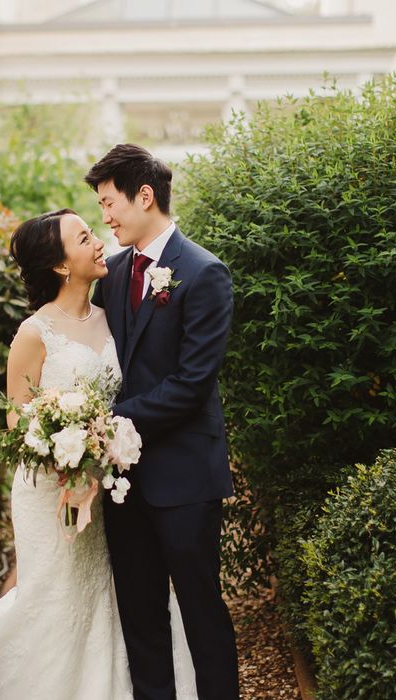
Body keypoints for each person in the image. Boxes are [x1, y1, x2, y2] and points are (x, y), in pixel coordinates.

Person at [0, 209, 197, 699]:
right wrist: (67, 460)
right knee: (60, 597)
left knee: (115, 595)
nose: (99, 241)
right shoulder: (34, 333)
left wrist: (98, 454)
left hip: (109, 488)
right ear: (61, 265)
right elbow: (17, 422)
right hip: (50, 491)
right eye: (84, 237)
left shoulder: (112, 318)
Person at [87, 143, 241, 700]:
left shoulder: (205, 274)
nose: (105, 217)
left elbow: (190, 384)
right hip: (124, 483)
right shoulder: (114, 272)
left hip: (184, 479)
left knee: (202, 614)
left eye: (110, 203)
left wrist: (104, 422)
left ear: (144, 196)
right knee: (140, 617)